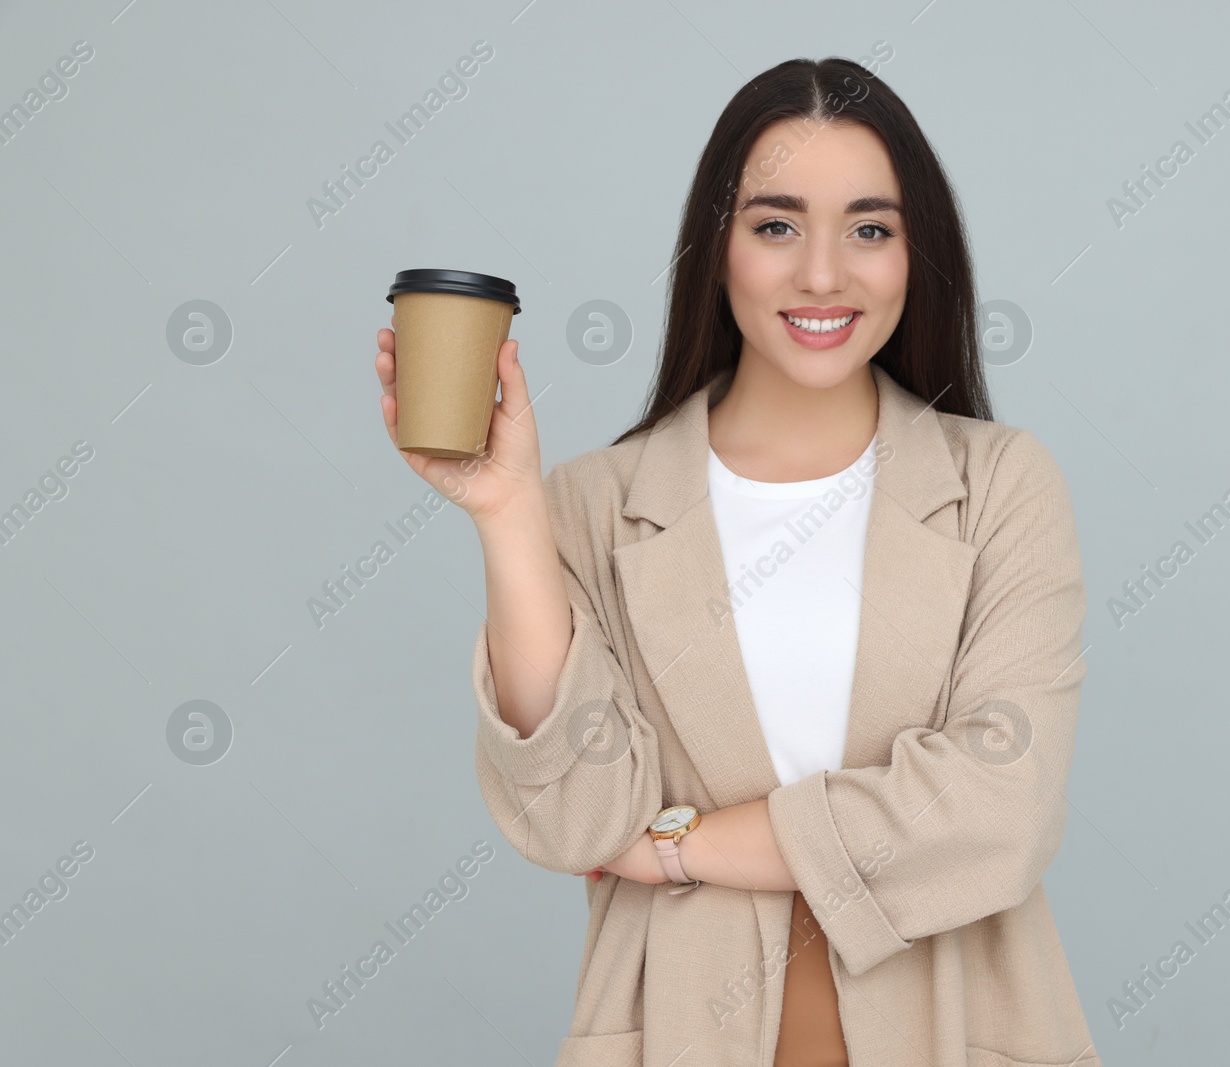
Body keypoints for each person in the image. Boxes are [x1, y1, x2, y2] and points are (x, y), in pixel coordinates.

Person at [374, 55, 1099, 1067]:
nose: (821, 273)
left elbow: (998, 805)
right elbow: (579, 812)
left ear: (914, 254)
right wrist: (504, 509)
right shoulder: (594, 503)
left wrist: (677, 844)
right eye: (775, 224)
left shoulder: (1000, 487)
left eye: (870, 228)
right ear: (716, 249)